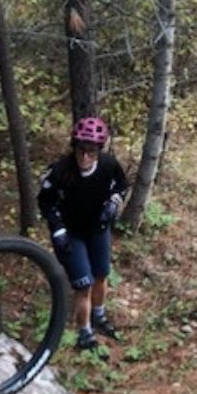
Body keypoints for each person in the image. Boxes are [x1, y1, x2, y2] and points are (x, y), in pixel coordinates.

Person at [38, 117, 128, 353]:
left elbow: (121, 184)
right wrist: (57, 228)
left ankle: (99, 315)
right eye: (81, 149)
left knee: (101, 275)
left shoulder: (108, 165)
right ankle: (84, 332)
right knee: (83, 284)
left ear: (100, 150)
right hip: (71, 234)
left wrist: (114, 202)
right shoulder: (60, 171)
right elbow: (45, 201)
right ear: (74, 146)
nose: (85, 156)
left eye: (91, 151)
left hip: (97, 229)